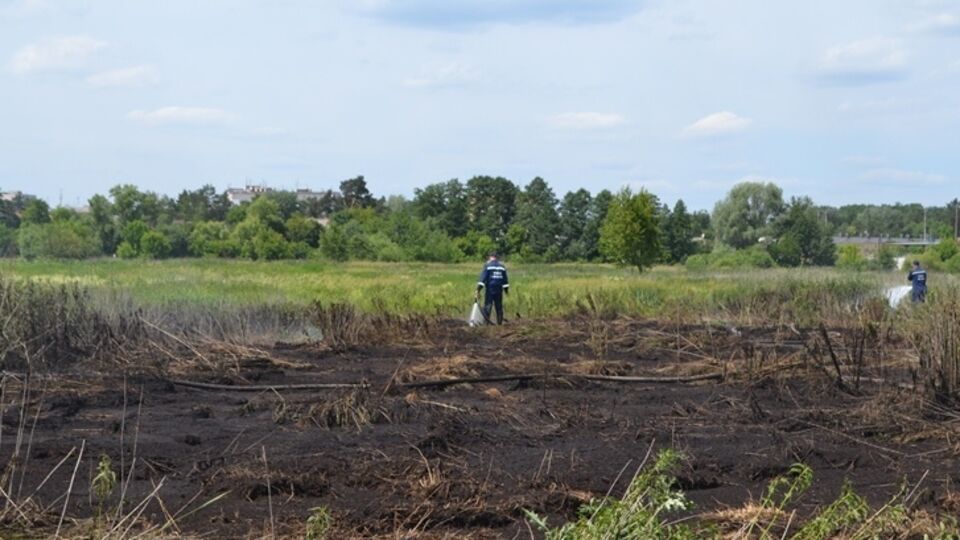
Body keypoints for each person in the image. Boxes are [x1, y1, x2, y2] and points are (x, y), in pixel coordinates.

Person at [475, 252, 509, 325]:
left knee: (488, 306)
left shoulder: (488, 266)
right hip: (499, 290)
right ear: (497, 258)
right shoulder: (502, 267)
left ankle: (486, 324)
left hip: (490, 289)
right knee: (499, 307)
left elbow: (482, 279)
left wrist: (478, 290)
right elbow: (505, 281)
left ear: (491, 257)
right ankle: (499, 324)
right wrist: (506, 291)